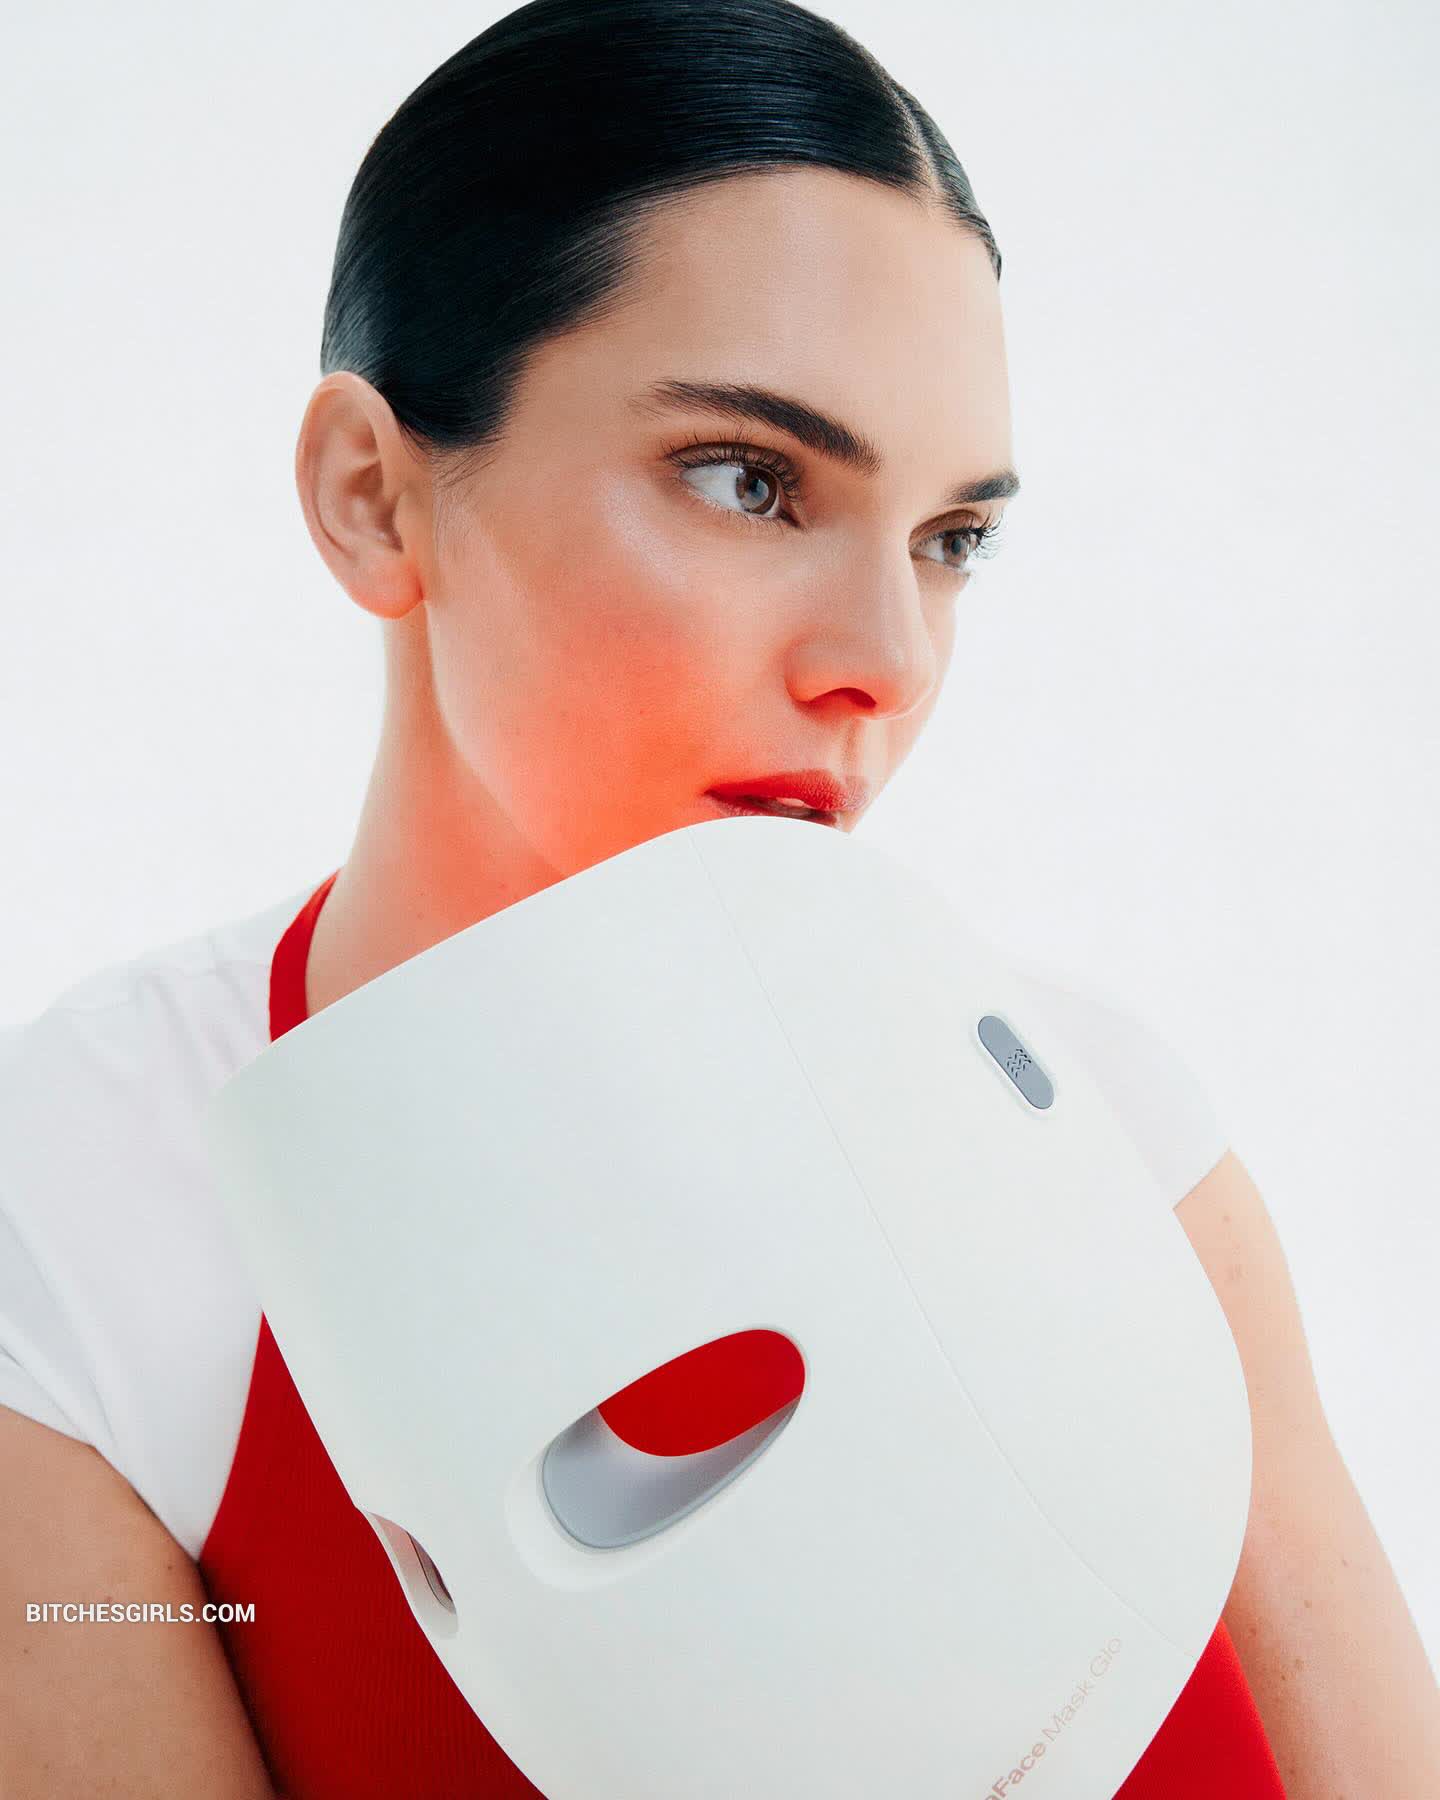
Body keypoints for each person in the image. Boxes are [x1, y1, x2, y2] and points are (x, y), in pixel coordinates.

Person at [0, 0, 1301, 1793]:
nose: (888, 660)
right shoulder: (97, 1207)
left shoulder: (1103, 1122)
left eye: (953, 540)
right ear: (374, 497)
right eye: (751, 481)